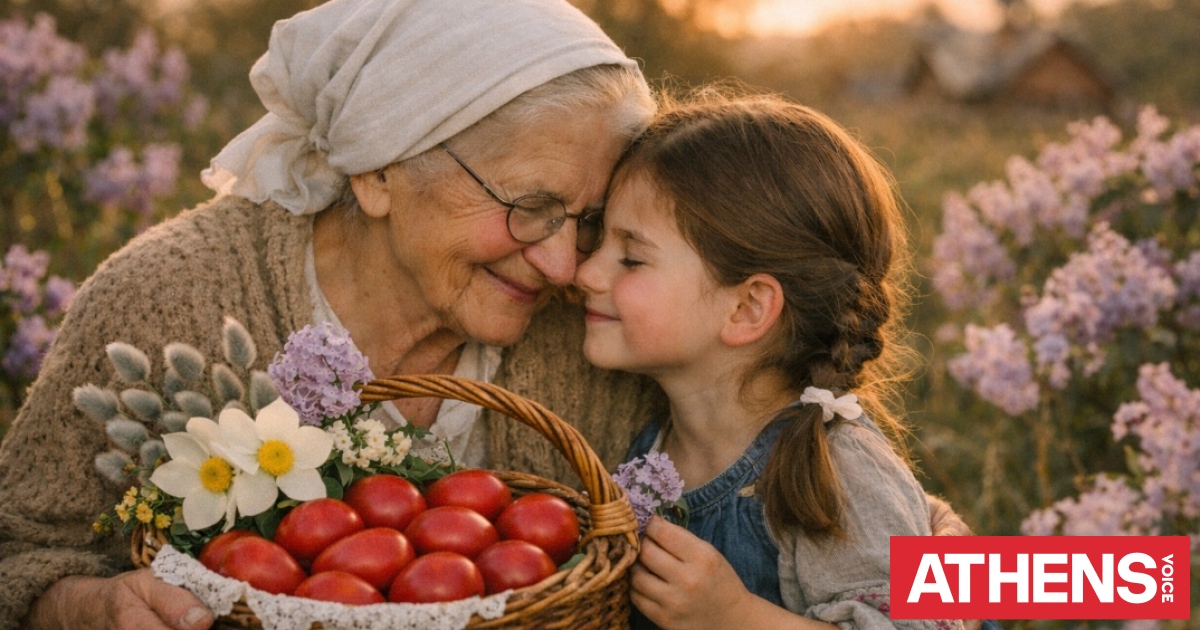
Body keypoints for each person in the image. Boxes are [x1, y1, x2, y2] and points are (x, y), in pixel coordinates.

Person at [0, 0, 667, 628]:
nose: (561, 265)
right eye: (529, 206)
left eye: (588, 221)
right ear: (379, 170)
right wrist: (87, 607)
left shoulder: (599, 330)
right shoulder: (161, 302)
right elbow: (18, 554)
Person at [576, 91, 966, 629]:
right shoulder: (650, 450)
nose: (586, 275)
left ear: (747, 307)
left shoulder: (836, 470)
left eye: (632, 258)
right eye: (597, 245)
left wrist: (736, 617)